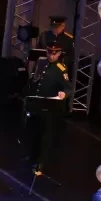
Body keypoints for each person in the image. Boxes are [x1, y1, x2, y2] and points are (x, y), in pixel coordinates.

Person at [28, 40, 70, 175]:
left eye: (54, 53)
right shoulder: (41, 63)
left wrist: (64, 93)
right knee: (34, 131)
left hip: (50, 106)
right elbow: (35, 80)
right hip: (37, 103)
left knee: (46, 135)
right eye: (49, 52)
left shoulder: (61, 68)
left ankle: (41, 162)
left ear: (59, 54)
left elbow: (68, 87)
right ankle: (32, 156)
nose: (51, 56)